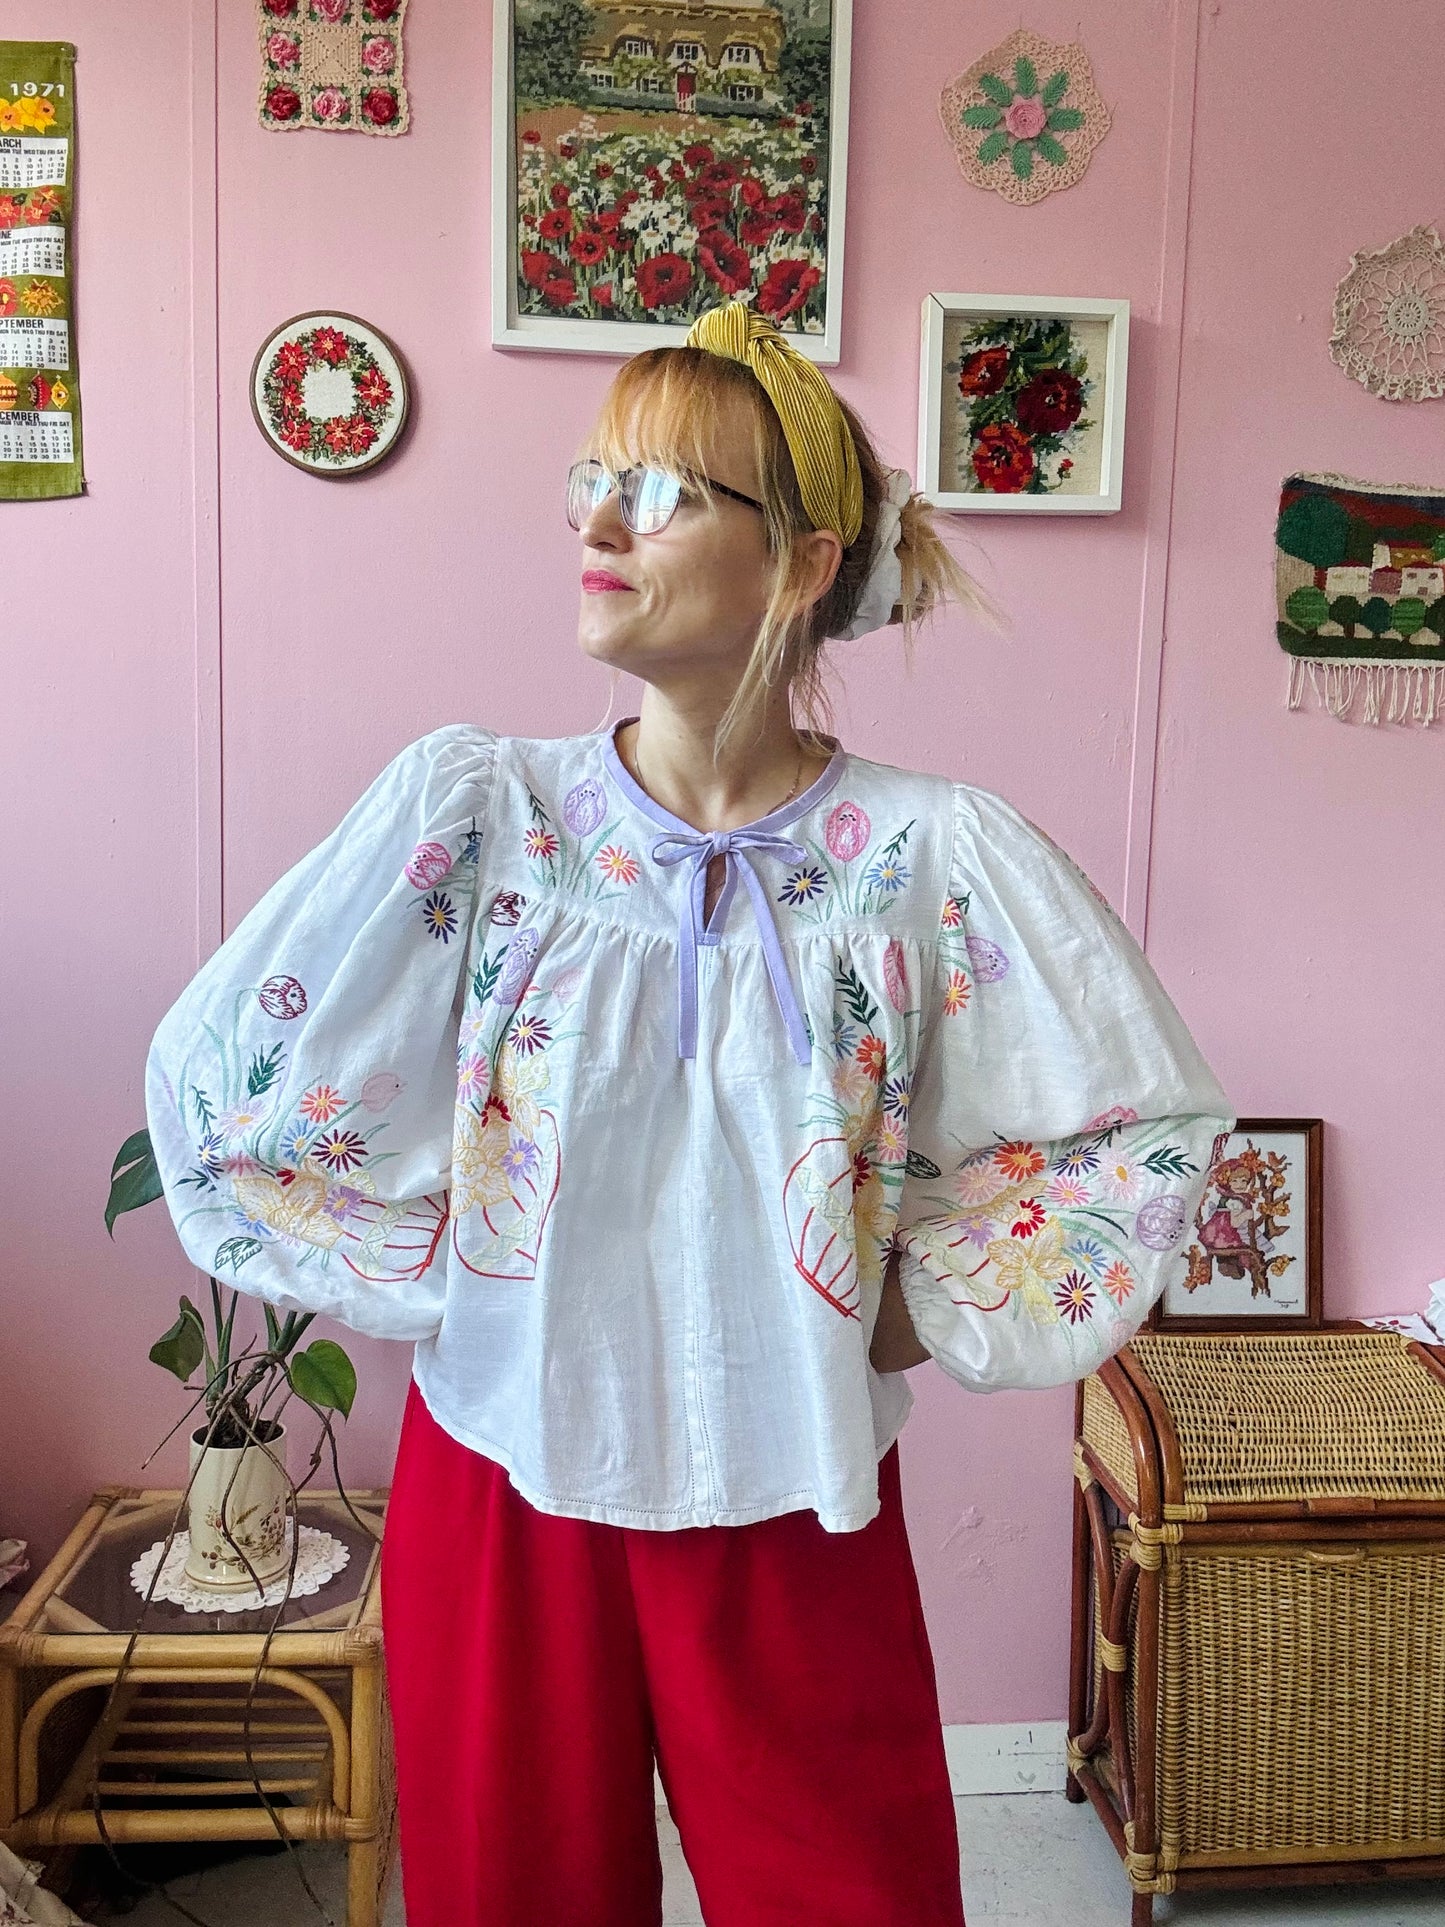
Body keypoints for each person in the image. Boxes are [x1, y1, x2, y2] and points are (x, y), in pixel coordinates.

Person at [144, 299, 1236, 1927]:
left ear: (799, 563)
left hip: (788, 1483)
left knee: (848, 1897)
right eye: (595, 476)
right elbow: (233, 1075)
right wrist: (470, 1281)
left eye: (659, 492)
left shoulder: (929, 857)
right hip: (504, 1482)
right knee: (507, 1897)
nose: (595, 521)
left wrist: (894, 1318)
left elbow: (1128, 1138)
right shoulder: (486, 817)